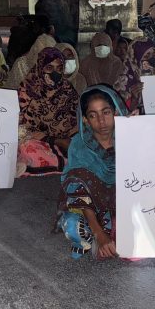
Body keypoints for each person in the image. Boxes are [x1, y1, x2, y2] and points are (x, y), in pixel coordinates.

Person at [56, 85, 128, 259]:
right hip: (91, 209)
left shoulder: (131, 137)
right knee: (74, 226)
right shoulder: (80, 146)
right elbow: (77, 188)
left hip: (123, 205)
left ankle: (115, 234)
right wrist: (98, 233)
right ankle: (99, 236)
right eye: (93, 115)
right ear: (86, 120)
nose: (101, 121)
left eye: (106, 112)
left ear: (116, 112)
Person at [16, 48, 79, 177]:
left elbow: (76, 122)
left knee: (85, 145)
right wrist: (55, 140)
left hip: (66, 140)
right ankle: (63, 162)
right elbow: (21, 129)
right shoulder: (27, 89)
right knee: (27, 147)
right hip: (38, 141)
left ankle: (54, 161)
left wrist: (72, 140)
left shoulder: (68, 90)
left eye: (59, 68)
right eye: (49, 68)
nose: (55, 73)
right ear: (40, 67)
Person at [118, 39, 155, 113]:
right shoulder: (124, 81)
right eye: (147, 55)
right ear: (136, 56)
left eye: (154, 55)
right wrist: (134, 99)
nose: (151, 59)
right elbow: (120, 114)